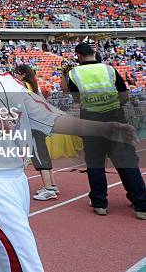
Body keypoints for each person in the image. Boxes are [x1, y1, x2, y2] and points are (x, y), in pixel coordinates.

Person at [0, 7, 137, 272]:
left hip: (17, 179)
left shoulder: (10, 82)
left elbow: (51, 117)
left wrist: (103, 128)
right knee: (24, 258)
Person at [62, 42, 146, 219]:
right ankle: (141, 205)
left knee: (95, 164)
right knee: (126, 162)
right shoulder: (109, 70)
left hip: (92, 123)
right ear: (94, 53)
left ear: (78, 55)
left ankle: (100, 204)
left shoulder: (74, 73)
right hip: (116, 120)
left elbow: (71, 96)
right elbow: (124, 94)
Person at [13, 64, 59, 201]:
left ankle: (49, 189)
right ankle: (52, 184)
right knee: (43, 153)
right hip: (40, 124)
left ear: (23, 74)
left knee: (39, 156)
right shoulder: (33, 85)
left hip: (33, 126)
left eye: (16, 73)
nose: (15, 75)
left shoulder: (24, 87)